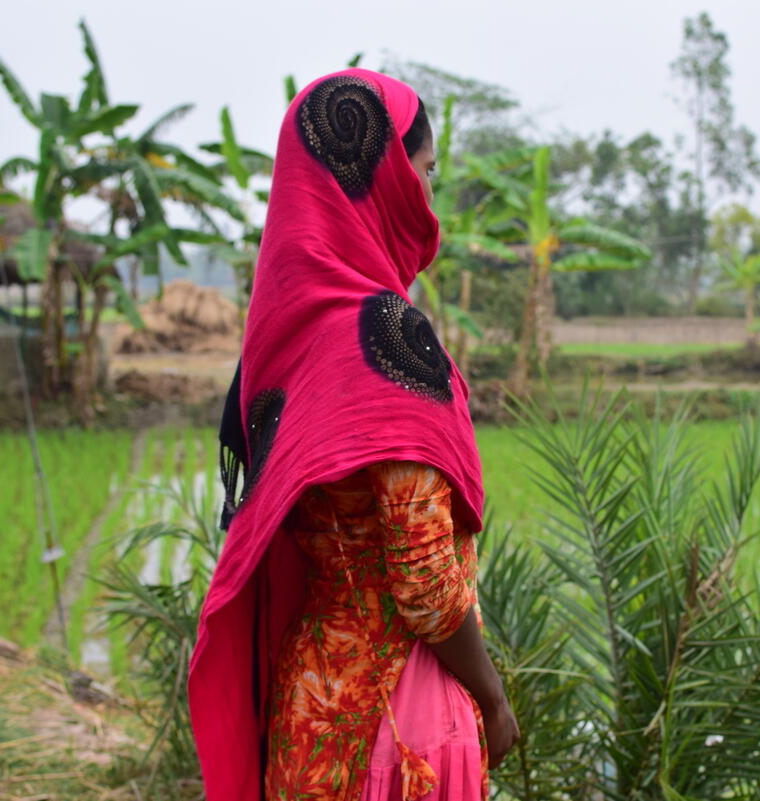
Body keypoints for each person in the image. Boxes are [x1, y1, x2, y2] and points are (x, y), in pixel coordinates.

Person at [188, 68, 518, 801]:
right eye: (424, 173)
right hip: (397, 728)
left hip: (308, 706)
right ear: (389, 181)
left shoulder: (285, 339)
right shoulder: (388, 337)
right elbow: (427, 585)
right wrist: (493, 698)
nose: (428, 200)